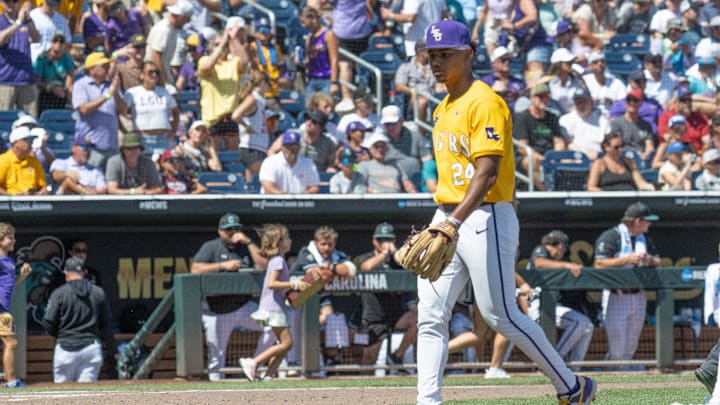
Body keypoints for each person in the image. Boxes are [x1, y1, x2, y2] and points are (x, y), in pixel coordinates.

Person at [416, 20, 595, 405]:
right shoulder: (443, 107)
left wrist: (452, 222)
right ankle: (427, 400)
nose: (436, 62)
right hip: (447, 215)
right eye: (432, 55)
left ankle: (572, 386)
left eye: (445, 54)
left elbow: (487, 173)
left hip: (485, 216)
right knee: (430, 315)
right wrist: (443, 221)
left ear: (469, 55)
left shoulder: (485, 102)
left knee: (501, 315)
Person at [190, 213, 269, 381]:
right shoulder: (212, 246)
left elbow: (264, 266)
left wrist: (248, 241)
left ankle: (254, 364)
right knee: (216, 358)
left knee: (274, 326)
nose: (233, 233)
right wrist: (222, 265)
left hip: (243, 305)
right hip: (217, 309)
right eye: (228, 230)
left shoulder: (245, 247)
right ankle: (218, 391)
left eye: (236, 229)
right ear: (220, 231)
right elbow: (195, 269)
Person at [593, 202, 661, 366]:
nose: (649, 223)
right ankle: (611, 380)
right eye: (647, 220)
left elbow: (658, 260)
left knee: (631, 346)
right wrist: (625, 259)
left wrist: (649, 259)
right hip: (618, 296)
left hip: (638, 295)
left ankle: (624, 383)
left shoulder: (644, 238)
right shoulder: (612, 236)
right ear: (638, 221)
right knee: (617, 349)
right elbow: (599, 263)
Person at [240, 224, 308, 382]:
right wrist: (294, 284)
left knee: (286, 344)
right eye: (288, 237)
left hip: (276, 306)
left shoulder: (278, 260)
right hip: (273, 308)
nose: (290, 240)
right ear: (279, 241)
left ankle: (269, 375)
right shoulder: (278, 260)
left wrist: (290, 294)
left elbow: (277, 288)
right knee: (287, 343)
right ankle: (253, 362)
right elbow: (272, 283)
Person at [41, 257, 115, 383]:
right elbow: (106, 324)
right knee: (86, 395)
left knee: (62, 396)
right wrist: (113, 349)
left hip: (65, 348)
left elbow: (48, 323)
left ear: (66, 273)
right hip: (91, 348)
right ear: (84, 273)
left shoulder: (59, 293)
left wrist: (60, 335)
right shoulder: (98, 292)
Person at [527, 230, 595, 368]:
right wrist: (566, 265)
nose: (563, 252)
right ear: (560, 246)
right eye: (563, 248)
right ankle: (554, 362)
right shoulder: (542, 250)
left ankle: (574, 368)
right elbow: (539, 262)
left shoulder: (555, 261)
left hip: (550, 307)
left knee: (587, 326)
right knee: (580, 322)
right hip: (537, 307)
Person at [357, 222, 418, 370]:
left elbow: (409, 265)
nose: (384, 243)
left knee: (418, 319)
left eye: (388, 240)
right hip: (374, 316)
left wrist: (394, 252)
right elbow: (367, 267)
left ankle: (397, 355)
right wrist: (384, 253)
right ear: (374, 240)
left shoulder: (396, 259)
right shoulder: (367, 256)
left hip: (396, 314)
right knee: (368, 361)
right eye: (381, 240)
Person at [198, 22, 249, 151]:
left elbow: (244, 61)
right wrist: (222, 43)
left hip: (230, 117)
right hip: (212, 117)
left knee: (232, 157)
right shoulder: (204, 60)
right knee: (213, 156)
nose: (221, 48)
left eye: (225, 45)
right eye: (216, 44)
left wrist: (233, 39)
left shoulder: (233, 63)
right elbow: (208, 67)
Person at [73, 52, 129, 169]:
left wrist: (115, 94)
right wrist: (107, 95)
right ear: (92, 69)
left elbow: (123, 109)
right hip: (91, 147)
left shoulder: (112, 85)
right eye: (104, 66)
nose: (108, 69)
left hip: (112, 146)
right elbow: (84, 109)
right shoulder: (81, 85)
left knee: (112, 181)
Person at [513, 82, 567, 191]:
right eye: (540, 96)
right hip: (528, 156)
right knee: (531, 161)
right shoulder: (522, 118)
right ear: (532, 98)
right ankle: (547, 191)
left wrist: (555, 157)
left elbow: (559, 142)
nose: (544, 99)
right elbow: (522, 147)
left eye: (546, 96)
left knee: (573, 159)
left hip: (549, 155)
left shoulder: (552, 117)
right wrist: (542, 158)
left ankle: (574, 190)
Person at [123, 61, 180, 156]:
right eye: (150, 72)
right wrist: (127, 131)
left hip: (164, 138)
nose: (154, 75)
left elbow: (176, 112)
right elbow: (122, 112)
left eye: (156, 72)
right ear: (142, 75)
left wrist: (173, 130)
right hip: (143, 139)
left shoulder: (164, 92)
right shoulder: (132, 93)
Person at [0, 223, 32, 388]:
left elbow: (10, 283)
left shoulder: (9, 261)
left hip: (4, 309)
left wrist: (22, 275)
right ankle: (12, 381)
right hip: (1, 310)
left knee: (10, 343)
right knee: (11, 343)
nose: (14, 240)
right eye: (10, 237)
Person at [0, 0, 40, 117]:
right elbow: (1, 39)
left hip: (26, 79)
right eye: (7, 1)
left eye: (15, 1)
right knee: (3, 121)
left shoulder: (25, 21)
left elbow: (36, 38)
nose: (11, 3)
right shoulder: (1, 21)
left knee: (30, 121)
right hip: (5, 81)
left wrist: (28, 20)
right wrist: (18, 23)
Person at [231, 69, 272, 179]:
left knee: (254, 181)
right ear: (263, 83)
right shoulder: (252, 98)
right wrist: (247, 126)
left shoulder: (260, 101)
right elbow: (235, 115)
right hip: (252, 148)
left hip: (259, 147)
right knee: (261, 179)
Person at [145, 0, 193, 89]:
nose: (188, 22)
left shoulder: (172, 30)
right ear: (182, 17)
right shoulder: (164, 29)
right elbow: (155, 56)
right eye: (187, 19)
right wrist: (165, 82)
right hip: (156, 81)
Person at [258, 130, 321, 194]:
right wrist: (288, 198)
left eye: (294, 146)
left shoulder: (308, 163)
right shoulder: (270, 162)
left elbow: (315, 187)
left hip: (301, 202)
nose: (291, 149)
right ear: (282, 147)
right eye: (288, 146)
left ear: (299, 147)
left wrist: (302, 197)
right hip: (273, 202)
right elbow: (269, 188)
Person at [587, 132, 655, 191]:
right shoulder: (599, 164)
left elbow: (640, 182)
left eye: (622, 146)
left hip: (630, 200)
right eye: (616, 147)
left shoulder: (629, 162)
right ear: (606, 147)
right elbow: (591, 187)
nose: (620, 149)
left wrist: (649, 186)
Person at [560, 87, 610, 160]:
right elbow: (564, 143)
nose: (581, 106)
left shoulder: (602, 121)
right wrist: (583, 154)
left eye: (583, 102)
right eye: (578, 102)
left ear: (591, 102)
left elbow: (609, 144)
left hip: (597, 158)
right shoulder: (565, 120)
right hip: (575, 158)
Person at [299, 6, 339, 96]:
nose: (303, 25)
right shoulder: (309, 38)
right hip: (312, 78)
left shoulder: (328, 35)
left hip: (326, 79)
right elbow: (309, 61)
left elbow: (334, 59)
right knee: (310, 108)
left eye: (304, 21)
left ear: (313, 18)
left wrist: (333, 82)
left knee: (325, 107)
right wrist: (301, 62)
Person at [609, 90, 656, 162]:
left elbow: (650, 146)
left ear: (640, 104)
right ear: (625, 103)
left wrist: (646, 154)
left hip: (640, 158)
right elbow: (614, 146)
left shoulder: (646, 125)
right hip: (622, 159)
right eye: (629, 100)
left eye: (635, 100)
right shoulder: (617, 123)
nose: (632, 103)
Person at [32, 32, 75, 113]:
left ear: (64, 45)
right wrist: (51, 88)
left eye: (61, 41)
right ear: (51, 43)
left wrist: (70, 102)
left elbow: (69, 82)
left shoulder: (66, 59)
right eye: (55, 41)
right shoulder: (42, 59)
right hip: (45, 93)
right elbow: (36, 81)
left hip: (62, 92)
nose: (58, 43)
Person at [0, 127, 48, 195]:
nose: (31, 143)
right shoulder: (3, 160)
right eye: (28, 140)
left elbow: (43, 186)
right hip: (8, 204)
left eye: (32, 140)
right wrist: (11, 196)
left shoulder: (35, 162)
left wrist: (40, 193)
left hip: (33, 203)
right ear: (15, 142)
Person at [480, 46, 526, 111]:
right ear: (494, 63)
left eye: (509, 60)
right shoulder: (484, 82)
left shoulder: (519, 83)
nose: (507, 62)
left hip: (515, 117)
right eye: (503, 60)